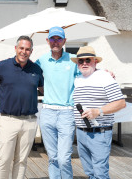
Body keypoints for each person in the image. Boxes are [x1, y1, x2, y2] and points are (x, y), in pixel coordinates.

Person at [0, 36, 44, 179]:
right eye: (21, 48)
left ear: (31, 51)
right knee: (3, 159)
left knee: (22, 160)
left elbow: (46, 91)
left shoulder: (36, 69)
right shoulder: (2, 66)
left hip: (29, 122)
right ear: (16, 49)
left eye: (27, 49)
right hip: (8, 120)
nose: (24, 51)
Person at [71, 46, 126, 179]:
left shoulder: (105, 77)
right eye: (81, 61)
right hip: (81, 132)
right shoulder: (77, 79)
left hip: (99, 133)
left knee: (100, 173)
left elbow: (121, 103)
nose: (84, 63)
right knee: (90, 172)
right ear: (77, 63)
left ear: (95, 61)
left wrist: (98, 111)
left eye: (88, 60)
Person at [35, 26, 78, 179]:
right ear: (48, 41)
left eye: (59, 39)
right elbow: (29, 75)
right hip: (47, 113)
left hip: (67, 113)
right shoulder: (41, 61)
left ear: (64, 41)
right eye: (52, 38)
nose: (55, 42)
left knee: (64, 158)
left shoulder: (73, 60)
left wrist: (104, 72)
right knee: (53, 157)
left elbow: (88, 73)